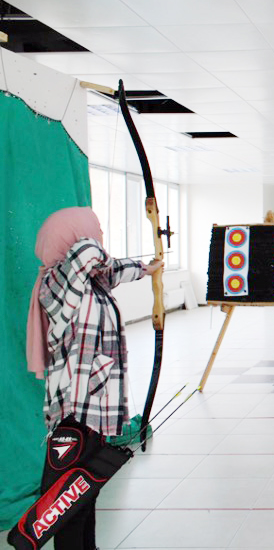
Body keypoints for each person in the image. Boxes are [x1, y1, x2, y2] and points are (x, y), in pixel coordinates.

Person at [21, 207, 162, 550]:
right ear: (70, 239)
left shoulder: (86, 281)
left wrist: (145, 269)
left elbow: (108, 271)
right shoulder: (56, 283)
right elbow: (89, 255)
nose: (98, 236)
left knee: (86, 489)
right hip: (75, 408)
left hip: (94, 406)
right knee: (67, 496)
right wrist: (90, 238)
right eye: (91, 231)